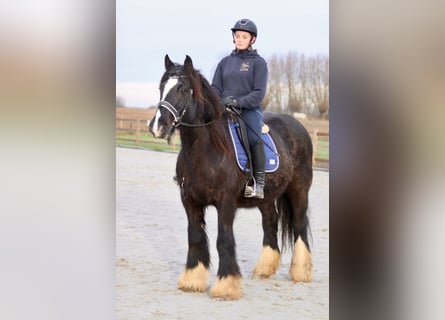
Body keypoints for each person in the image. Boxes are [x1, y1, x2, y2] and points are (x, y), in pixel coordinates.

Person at [211, 18, 268, 199]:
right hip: (224, 108)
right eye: (237, 36)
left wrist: (238, 102)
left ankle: (258, 182)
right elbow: (215, 88)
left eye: (244, 36)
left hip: (248, 110)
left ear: (253, 39)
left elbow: (258, 93)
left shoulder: (258, 63)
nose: (240, 39)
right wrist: (218, 101)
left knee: (253, 136)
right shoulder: (224, 62)